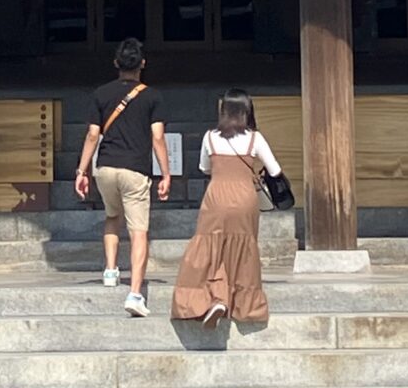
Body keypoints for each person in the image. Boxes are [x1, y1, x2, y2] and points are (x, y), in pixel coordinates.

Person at [74, 37, 169, 315]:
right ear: (143, 64)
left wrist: (81, 171)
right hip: (135, 169)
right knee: (139, 232)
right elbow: (158, 137)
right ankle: (135, 294)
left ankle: (110, 270)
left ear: (116, 63)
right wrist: (165, 173)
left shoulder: (100, 94)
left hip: (105, 168)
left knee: (112, 216)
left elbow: (93, 135)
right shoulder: (152, 96)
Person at [171, 89, 276, 327]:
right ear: (248, 111)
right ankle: (244, 305)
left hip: (216, 197)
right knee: (243, 248)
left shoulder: (210, 137)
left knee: (210, 246)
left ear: (224, 111)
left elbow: (204, 167)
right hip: (245, 198)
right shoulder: (255, 139)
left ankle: (215, 298)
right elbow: (274, 169)